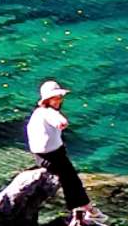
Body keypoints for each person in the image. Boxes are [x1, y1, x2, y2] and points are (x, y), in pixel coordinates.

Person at [26, 79, 86, 207]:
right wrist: (62, 123)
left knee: (70, 178)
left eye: (60, 98)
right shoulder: (47, 112)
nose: (59, 100)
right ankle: (81, 209)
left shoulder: (39, 113)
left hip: (46, 155)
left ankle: (81, 209)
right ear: (48, 100)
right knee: (71, 179)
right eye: (56, 98)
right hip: (50, 156)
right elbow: (58, 120)